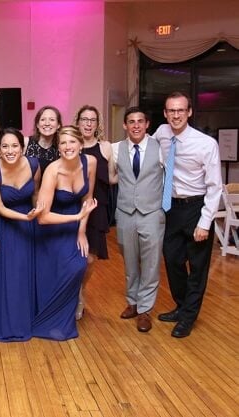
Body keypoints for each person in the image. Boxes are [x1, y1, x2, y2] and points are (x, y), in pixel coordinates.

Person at [155, 91, 222, 338]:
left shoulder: (206, 144)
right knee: (172, 261)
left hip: (197, 207)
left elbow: (215, 187)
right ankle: (182, 307)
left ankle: (188, 317)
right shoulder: (161, 134)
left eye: (180, 110)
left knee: (197, 266)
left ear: (189, 112)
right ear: (165, 113)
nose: (176, 115)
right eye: (171, 110)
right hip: (172, 208)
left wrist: (205, 222)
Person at [32, 126, 97, 340]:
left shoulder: (90, 163)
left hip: (75, 224)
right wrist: (76, 218)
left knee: (80, 264)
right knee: (58, 272)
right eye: (63, 143)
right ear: (58, 146)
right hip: (52, 227)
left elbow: (87, 200)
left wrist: (81, 230)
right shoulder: (53, 170)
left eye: (72, 142)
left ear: (80, 144)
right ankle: (51, 316)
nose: (67, 147)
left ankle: (73, 301)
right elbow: (42, 217)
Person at [0, 128, 41, 341]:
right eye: (5, 146)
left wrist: (36, 216)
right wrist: (25, 217)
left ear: (22, 147)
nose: (10, 150)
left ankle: (27, 318)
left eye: (14, 146)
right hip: (6, 226)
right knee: (7, 276)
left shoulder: (34, 164)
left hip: (29, 226)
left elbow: (35, 193)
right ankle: (4, 321)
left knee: (25, 274)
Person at [112, 107, 164, 332]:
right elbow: (112, 176)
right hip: (125, 213)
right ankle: (132, 302)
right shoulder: (116, 149)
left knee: (151, 264)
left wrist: (164, 206)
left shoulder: (160, 147)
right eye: (131, 121)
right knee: (130, 263)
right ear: (124, 125)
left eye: (140, 121)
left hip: (151, 213)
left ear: (147, 124)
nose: (135, 125)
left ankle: (145, 310)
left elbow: (170, 177)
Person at [73, 105, 117, 320]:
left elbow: (110, 178)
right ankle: (71, 294)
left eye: (92, 120)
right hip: (74, 207)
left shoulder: (106, 147)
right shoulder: (72, 146)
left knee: (90, 259)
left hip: (98, 208)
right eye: (84, 119)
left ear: (97, 124)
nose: (88, 123)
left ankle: (80, 292)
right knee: (74, 256)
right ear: (78, 122)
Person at [25, 105, 61, 172]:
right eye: (43, 119)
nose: (47, 123)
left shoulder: (62, 147)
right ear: (37, 124)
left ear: (58, 125)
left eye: (52, 120)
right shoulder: (26, 142)